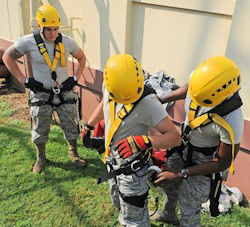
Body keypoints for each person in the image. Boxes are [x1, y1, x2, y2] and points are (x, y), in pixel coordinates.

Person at [82, 54, 181, 226]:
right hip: (112, 161)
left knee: (134, 219)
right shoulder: (111, 84)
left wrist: (145, 141)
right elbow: (105, 102)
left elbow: (174, 138)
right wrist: (89, 125)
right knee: (119, 202)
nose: (126, 99)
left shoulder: (148, 102)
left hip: (132, 170)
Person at [152, 56, 244, 226]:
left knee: (190, 204)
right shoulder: (202, 80)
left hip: (206, 159)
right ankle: (168, 213)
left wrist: (182, 173)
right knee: (169, 185)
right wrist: (165, 98)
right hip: (183, 144)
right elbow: (190, 89)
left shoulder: (233, 119)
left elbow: (222, 162)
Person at [3, 4, 87, 173]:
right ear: (40, 26)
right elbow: (8, 57)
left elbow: (81, 58)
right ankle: (40, 158)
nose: (53, 33)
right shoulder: (28, 41)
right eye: (48, 29)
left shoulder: (67, 42)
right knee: (40, 126)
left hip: (64, 91)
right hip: (40, 92)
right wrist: (24, 80)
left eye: (56, 29)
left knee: (70, 124)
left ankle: (74, 153)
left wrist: (75, 78)